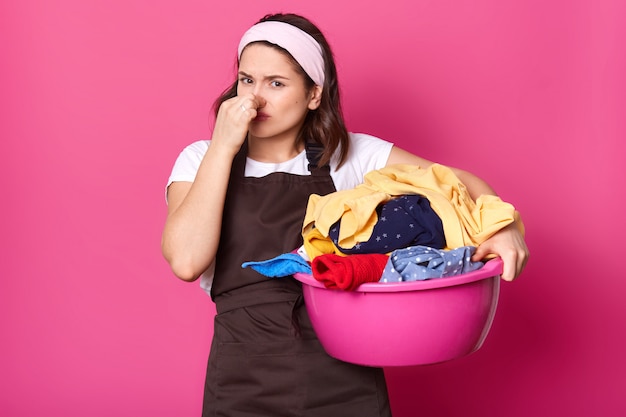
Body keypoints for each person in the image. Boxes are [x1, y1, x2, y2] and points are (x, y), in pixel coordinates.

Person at [161, 12, 529, 417]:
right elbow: (186, 260)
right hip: (241, 381)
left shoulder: (349, 157)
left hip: (342, 383)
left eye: (276, 83)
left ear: (314, 94)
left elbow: (460, 183)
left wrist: (505, 226)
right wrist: (222, 147)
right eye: (247, 80)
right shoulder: (201, 160)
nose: (254, 99)